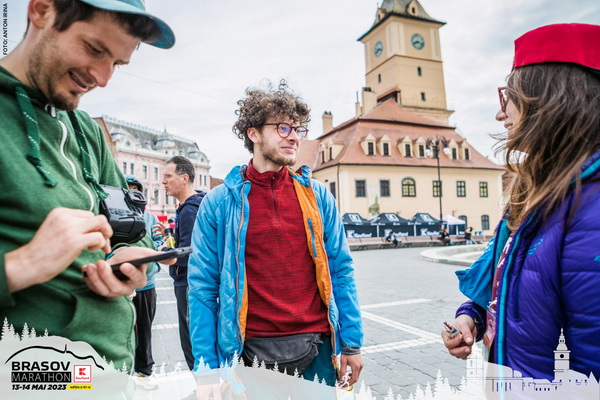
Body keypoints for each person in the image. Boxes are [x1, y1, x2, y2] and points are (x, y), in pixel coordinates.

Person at [0, 0, 175, 371]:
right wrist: (23, 264)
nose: (103, 78)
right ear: (41, 10)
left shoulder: (88, 132)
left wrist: (134, 261)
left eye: (117, 63)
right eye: (95, 49)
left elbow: (133, 229)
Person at [443, 23, 600, 381]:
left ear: (551, 100)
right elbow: (509, 281)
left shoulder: (590, 207)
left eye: (508, 97)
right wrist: (473, 315)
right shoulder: (537, 190)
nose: (500, 114)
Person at [188, 81, 364, 394]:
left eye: (298, 129)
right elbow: (202, 287)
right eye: (283, 127)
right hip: (249, 352)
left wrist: (351, 343)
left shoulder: (317, 196)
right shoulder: (219, 203)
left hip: (316, 348)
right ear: (253, 133)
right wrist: (206, 370)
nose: (294, 136)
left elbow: (341, 269)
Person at [155, 156, 205, 371]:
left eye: (168, 176)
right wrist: (169, 234)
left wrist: (160, 253)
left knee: (191, 341)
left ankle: (203, 384)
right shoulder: (194, 205)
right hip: (194, 283)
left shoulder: (189, 210)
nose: (163, 181)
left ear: (184, 178)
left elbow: (187, 253)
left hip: (188, 283)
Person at [126, 175, 164, 389]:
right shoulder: (112, 215)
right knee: (122, 330)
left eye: (135, 190)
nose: (132, 193)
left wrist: (150, 259)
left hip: (146, 285)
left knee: (144, 329)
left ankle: (144, 372)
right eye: (127, 189)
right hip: (122, 286)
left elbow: (159, 244)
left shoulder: (150, 218)